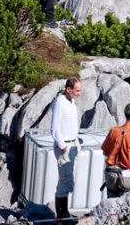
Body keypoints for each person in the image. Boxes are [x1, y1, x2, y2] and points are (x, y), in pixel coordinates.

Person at [101, 102, 130, 198]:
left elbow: (105, 151)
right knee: (125, 202)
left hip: (110, 173)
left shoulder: (113, 131)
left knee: (111, 200)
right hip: (126, 175)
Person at [51, 77, 82, 222]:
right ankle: (61, 215)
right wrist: (63, 146)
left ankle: (65, 212)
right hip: (65, 146)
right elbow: (55, 127)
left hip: (73, 144)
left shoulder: (71, 101)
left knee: (68, 179)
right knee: (65, 180)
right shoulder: (59, 102)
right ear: (68, 90)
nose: (79, 93)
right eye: (77, 90)